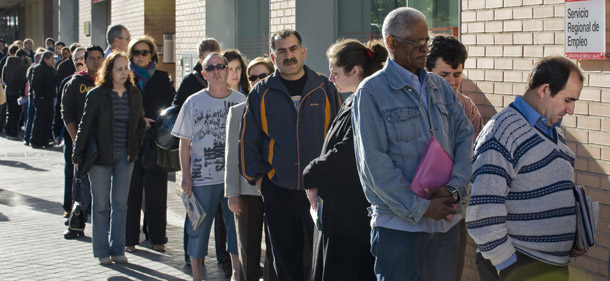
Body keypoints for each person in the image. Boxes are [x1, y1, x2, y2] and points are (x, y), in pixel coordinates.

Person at [352, 7, 474, 281]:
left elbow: (465, 136)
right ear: (392, 43)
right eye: (416, 43)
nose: (424, 49)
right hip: (400, 231)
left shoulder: (439, 87)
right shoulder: (371, 93)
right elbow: (373, 166)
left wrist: (455, 189)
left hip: (445, 224)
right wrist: (421, 208)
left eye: (426, 41)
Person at [466, 56, 586, 281]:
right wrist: (507, 264)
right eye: (568, 100)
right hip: (521, 265)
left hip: (550, 265)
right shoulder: (502, 132)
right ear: (545, 90)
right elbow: (482, 211)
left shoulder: (552, 130)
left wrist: (572, 236)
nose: (571, 110)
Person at [240, 29, 342, 281]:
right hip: (279, 190)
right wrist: (262, 181)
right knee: (285, 261)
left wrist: (333, 179)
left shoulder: (325, 87)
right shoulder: (260, 93)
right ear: (273, 57)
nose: (289, 55)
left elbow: (341, 138)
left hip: (321, 192)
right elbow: (248, 143)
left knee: (324, 258)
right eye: (282, 51)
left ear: (303, 51)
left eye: (293, 48)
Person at [302, 38, 387, 281]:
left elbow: (347, 152)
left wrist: (310, 173)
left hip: (351, 214)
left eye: (335, 72)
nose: (331, 79)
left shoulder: (365, 100)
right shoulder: (355, 98)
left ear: (355, 70)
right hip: (342, 210)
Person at [172, 53, 244, 281]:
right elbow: (184, 144)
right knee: (199, 230)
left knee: (235, 230)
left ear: (228, 70)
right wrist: (185, 177)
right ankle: (197, 276)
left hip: (233, 180)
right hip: (201, 178)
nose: (217, 71)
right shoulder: (193, 102)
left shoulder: (241, 99)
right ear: (204, 74)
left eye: (221, 66)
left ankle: (236, 274)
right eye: (211, 68)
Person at [72, 51, 146, 265]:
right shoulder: (97, 95)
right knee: (101, 205)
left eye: (126, 68)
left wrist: (137, 142)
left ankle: (118, 249)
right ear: (109, 71)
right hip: (100, 158)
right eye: (119, 69)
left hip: (126, 156)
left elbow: (141, 122)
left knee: (120, 204)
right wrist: (77, 154)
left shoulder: (134, 94)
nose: (124, 72)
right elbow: (85, 126)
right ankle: (102, 251)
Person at [425, 34, 485, 281]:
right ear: (426, 71)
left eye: (457, 74)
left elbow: (477, 157)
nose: (451, 81)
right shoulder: (414, 104)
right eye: (444, 75)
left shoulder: (468, 108)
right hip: (415, 208)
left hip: (453, 207)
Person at [225, 55, 275, 281]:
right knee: (248, 248)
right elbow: (231, 156)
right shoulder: (237, 111)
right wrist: (233, 193)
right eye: (252, 77)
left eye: (262, 75)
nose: (256, 80)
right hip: (246, 191)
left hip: (278, 187)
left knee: (276, 249)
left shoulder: (284, 109)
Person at [125, 35, 175, 253]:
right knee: (131, 192)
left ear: (152, 54)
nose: (140, 56)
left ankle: (157, 238)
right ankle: (129, 239)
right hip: (130, 142)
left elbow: (170, 107)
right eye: (136, 53)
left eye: (145, 52)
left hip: (155, 142)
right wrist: (138, 122)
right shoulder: (124, 78)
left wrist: (156, 125)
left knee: (157, 193)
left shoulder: (163, 77)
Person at [61, 45, 103, 239]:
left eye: (99, 57)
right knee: (81, 184)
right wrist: (76, 139)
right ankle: (77, 223)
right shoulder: (75, 83)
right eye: (92, 58)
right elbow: (66, 112)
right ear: (84, 61)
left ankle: (102, 224)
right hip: (80, 141)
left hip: (104, 142)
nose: (96, 61)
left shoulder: (108, 82)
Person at [173, 38, 221, 108]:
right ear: (200, 60)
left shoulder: (227, 77)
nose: (213, 65)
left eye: (216, 60)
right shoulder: (190, 82)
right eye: (208, 61)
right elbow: (177, 109)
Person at [30, 51, 57, 148]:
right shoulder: (38, 69)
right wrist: (40, 95)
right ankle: (36, 140)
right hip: (41, 98)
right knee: (40, 120)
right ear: (45, 59)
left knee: (48, 120)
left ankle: (45, 140)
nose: (53, 61)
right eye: (51, 59)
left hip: (49, 97)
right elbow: (35, 83)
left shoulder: (51, 70)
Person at [1, 46, 27, 140]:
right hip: (17, 92)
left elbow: (3, 79)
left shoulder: (6, 65)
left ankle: (8, 130)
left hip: (8, 91)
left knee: (10, 112)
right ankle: (13, 132)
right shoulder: (22, 66)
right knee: (16, 113)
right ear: (22, 56)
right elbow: (24, 79)